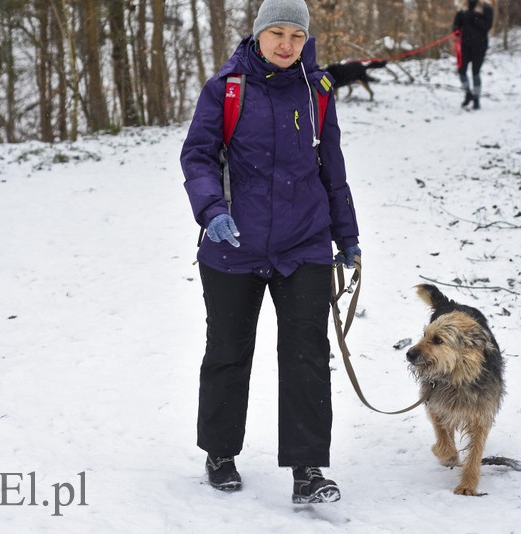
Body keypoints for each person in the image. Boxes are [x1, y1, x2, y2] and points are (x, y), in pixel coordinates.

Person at [180, 0, 360, 504]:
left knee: (307, 355)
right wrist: (210, 210)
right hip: (233, 244)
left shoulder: (317, 90)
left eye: (296, 35)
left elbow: (332, 165)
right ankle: (220, 453)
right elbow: (197, 155)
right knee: (228, 351)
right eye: (277, 33)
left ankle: (308, 471)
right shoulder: (226, 88)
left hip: (304, 242)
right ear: (258, 34)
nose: (286, 44)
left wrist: (346, 234)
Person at [453, 0, 494, 109]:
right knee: (461, 71)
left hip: (479, 45)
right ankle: (468, 94)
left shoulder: (486, 7)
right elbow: (456, 24)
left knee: (475, 72)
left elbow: (487, 26)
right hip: (464, 45)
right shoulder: (462, 7)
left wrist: (475, 19)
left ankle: (476, 98)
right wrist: (457, 30)